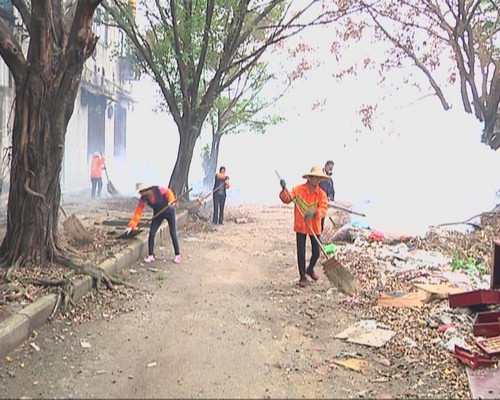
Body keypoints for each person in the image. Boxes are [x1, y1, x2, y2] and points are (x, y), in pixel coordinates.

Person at [279, 166, 328, 288]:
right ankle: (302, 276)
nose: (317, 180)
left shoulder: (321, 194)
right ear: (309, 178)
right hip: (301, 225)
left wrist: (315, 212)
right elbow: (287, 199)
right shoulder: (298, 189)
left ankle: (310, 269)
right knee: (301, 252)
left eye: (319, 178)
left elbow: (323, 209)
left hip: (314, 226)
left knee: (316, 252)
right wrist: (283, 189)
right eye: (315, 177)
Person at [125, 183, 181, 264]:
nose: (141, 193)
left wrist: (171, 201)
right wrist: (131, 226)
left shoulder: (158, 189)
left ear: (147, 189)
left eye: (142, 191)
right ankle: (151, 255)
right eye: (140, 192)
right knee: (152, 232)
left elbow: (168, 192)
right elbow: (138, 212)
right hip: (158, 214)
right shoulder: (143, 199)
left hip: (169, 212)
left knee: (173, 233)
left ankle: (177, 255)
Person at [318, 160, 335, 234]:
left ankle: (319, 236)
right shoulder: (318, 176)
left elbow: (332, 192)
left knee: (321, 223)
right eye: (330, 168)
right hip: (316, 203)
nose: (330, 170)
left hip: (324, 205)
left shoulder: (330, 180)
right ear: (326, 166)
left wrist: (330, 198)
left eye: (332, 169)